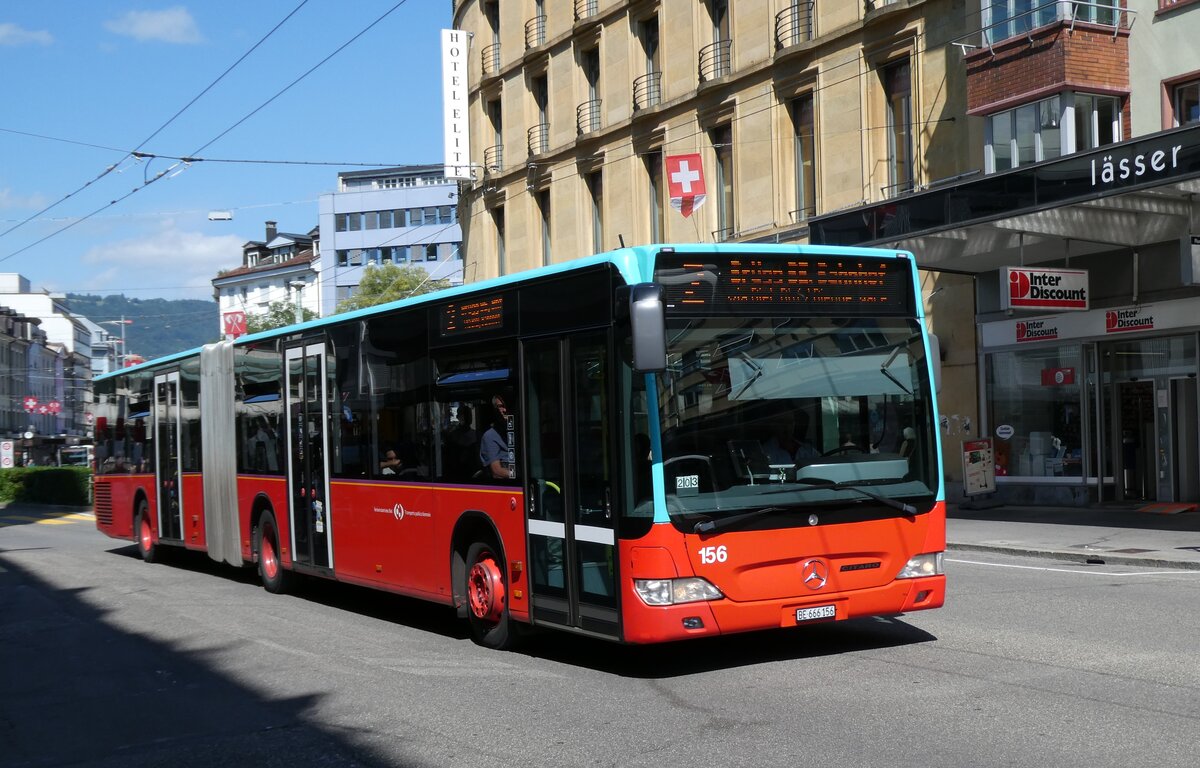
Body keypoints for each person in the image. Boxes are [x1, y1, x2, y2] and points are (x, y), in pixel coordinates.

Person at [479, 395, 515, 480]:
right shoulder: (489, 436)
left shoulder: (516, 432)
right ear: (495, 410)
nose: (505, 410)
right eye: (501, 407)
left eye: (506, 406)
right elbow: (497, 471)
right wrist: (521, 474)